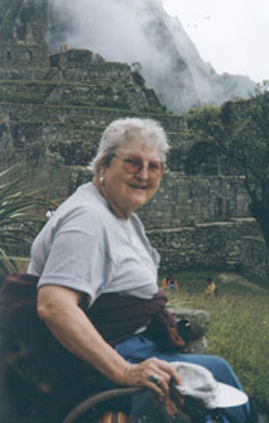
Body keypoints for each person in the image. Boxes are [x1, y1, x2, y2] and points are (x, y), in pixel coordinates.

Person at [24, 118, 250, 421]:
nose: (144, 175)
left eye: (154, 166)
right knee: (217, 385)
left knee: (220, 373)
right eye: (132, 163)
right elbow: (54, 305)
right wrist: (124, 370)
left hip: (133, 343)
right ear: (103, 165)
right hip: (105, 360)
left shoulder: (120, 214)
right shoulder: (88, 221)